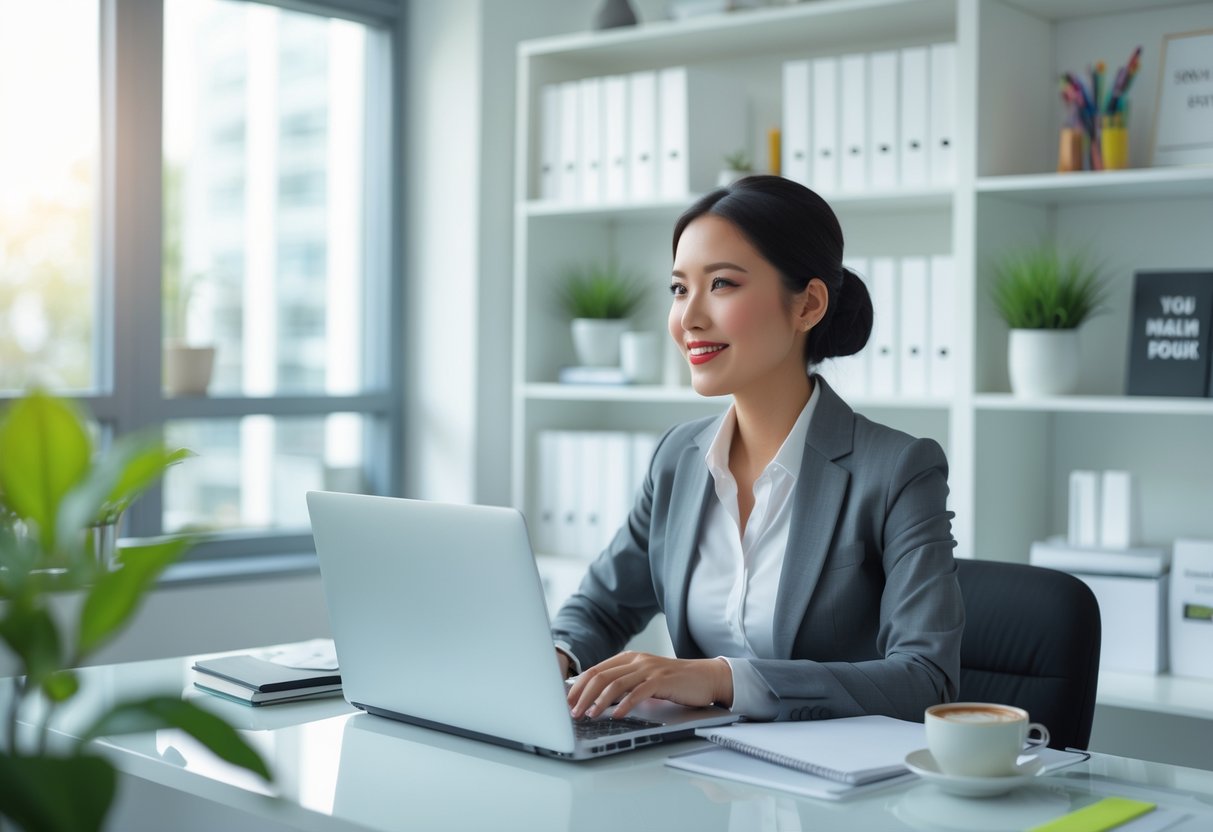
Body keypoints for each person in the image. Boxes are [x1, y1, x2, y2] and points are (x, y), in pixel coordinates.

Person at [551, 174, 964, 724]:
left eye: (721, 284)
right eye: (679, 288)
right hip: (698, 776)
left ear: (808, 305)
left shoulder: (897, 472)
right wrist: (555, 660)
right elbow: (601, 607)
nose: (689, 317)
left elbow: (925, 680)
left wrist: (718, 678)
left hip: (830, 790)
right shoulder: (679, 457)